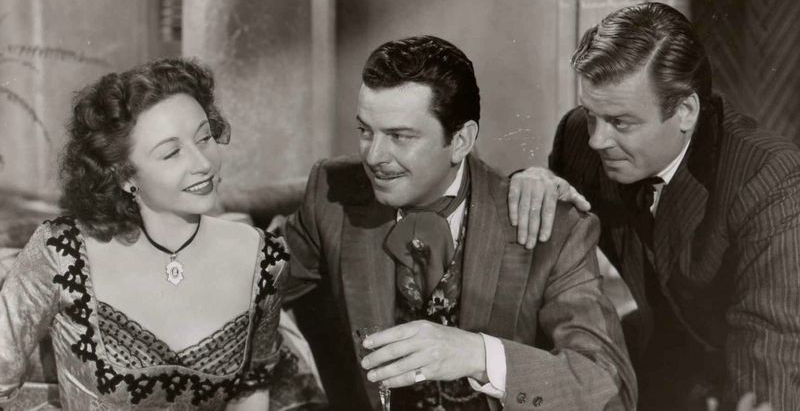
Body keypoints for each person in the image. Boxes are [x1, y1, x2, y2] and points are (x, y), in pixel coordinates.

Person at [279, 35, 635, 410]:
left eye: (399, 136)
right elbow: (255, 285)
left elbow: (609, 389)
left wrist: (478, 355)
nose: (374, 156)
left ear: (462, 140)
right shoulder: (333, 197)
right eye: (366, 131)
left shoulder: (552, 227)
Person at [509, 2, 800, 410]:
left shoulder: (769, 177)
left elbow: (771, 350)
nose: (597, 140)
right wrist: (530, 185)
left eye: (621, 122)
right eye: (591, 115)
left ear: (685, 112)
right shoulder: (579, 139)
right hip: (664, 367)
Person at [0, 58, 324, 410]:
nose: (203, 163)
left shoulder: (264, 258)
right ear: (124, 175)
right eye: (171, 153)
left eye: (205, 137)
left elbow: (252, 391)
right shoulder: (61, 253)